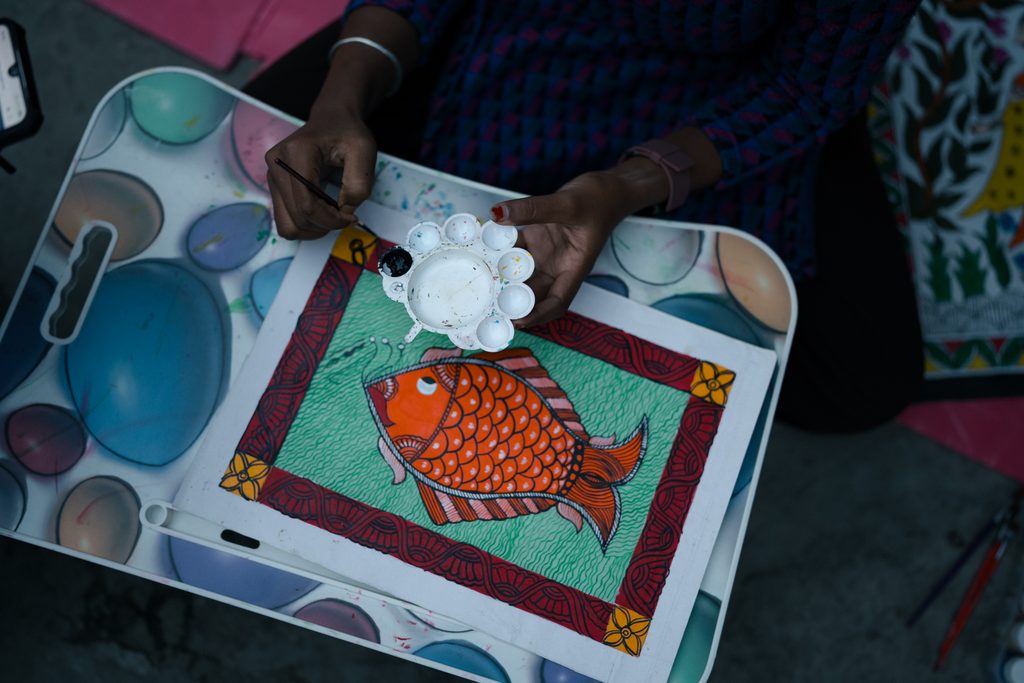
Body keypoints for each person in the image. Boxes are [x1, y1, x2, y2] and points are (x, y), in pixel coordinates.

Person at [245, 0, 924, 432]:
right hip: (513, 35)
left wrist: (635, 184)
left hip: (717, 96)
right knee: (258, 171)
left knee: (858, 379)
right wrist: (345, 92)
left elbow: (808, 84)